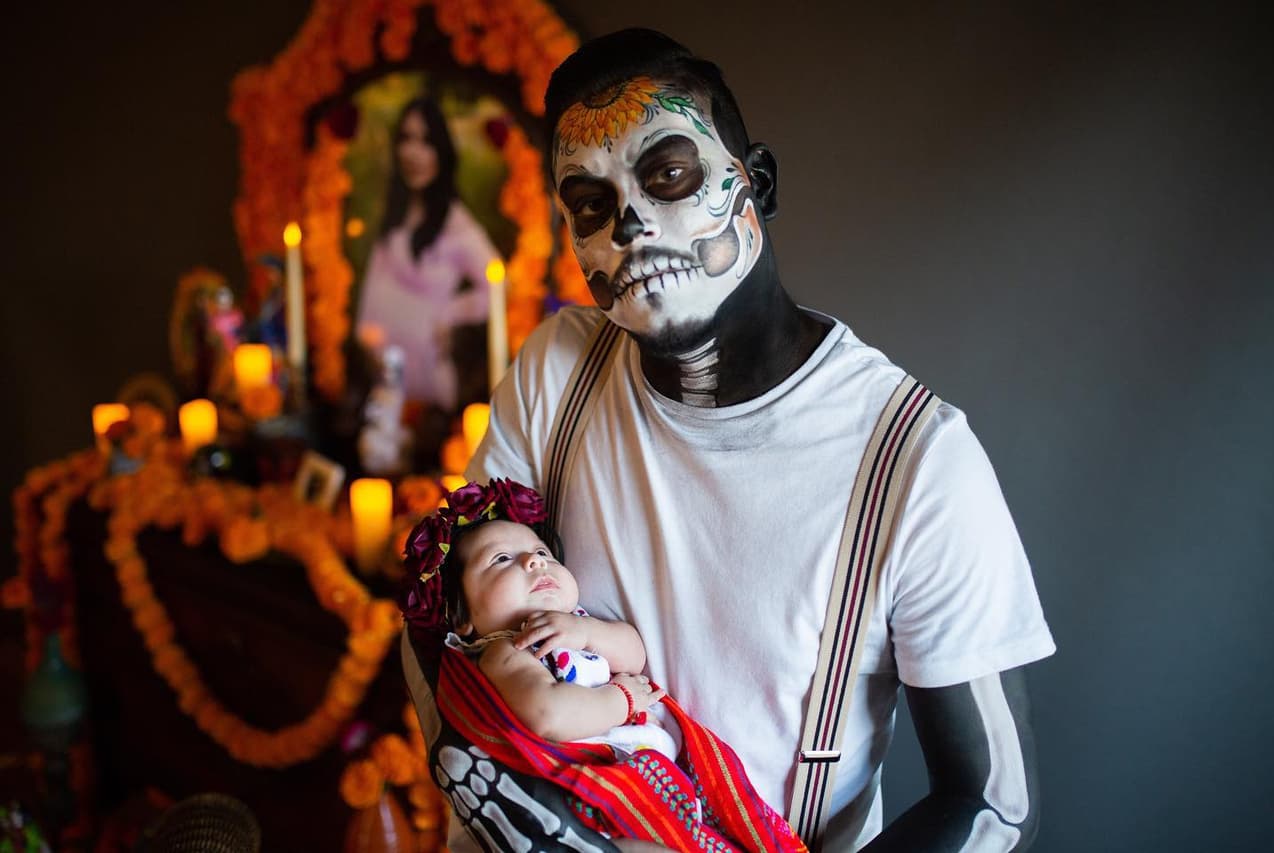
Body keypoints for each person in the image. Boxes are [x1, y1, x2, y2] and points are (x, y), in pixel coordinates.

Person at [405, 28, 1056, 852]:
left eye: (667, 173)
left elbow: (992, 804)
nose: (632, 225)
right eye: (590, 203)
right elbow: (439, 611)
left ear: (760, 184)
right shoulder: (558, 368)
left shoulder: (918, 463)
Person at [400, 478, 805, 852]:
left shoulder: (575, 622)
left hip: (656, 778)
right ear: (462, 618)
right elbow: (549, 713)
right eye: (502, 559)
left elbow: (633, 653)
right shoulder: (506, 650)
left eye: (540, 552)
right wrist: (624, 698)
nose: (534, 562)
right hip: (600, 798)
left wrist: (587, 633)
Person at [356, 96, 498, 411]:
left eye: (426, 142)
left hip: (429, 385)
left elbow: (498, 284)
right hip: (385, 386)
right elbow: (371, 298)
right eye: (407, 139)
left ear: (441, 153)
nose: (414, 153)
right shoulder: (395, 213)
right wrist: (370, 343)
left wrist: (447, 315)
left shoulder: (455, 223)